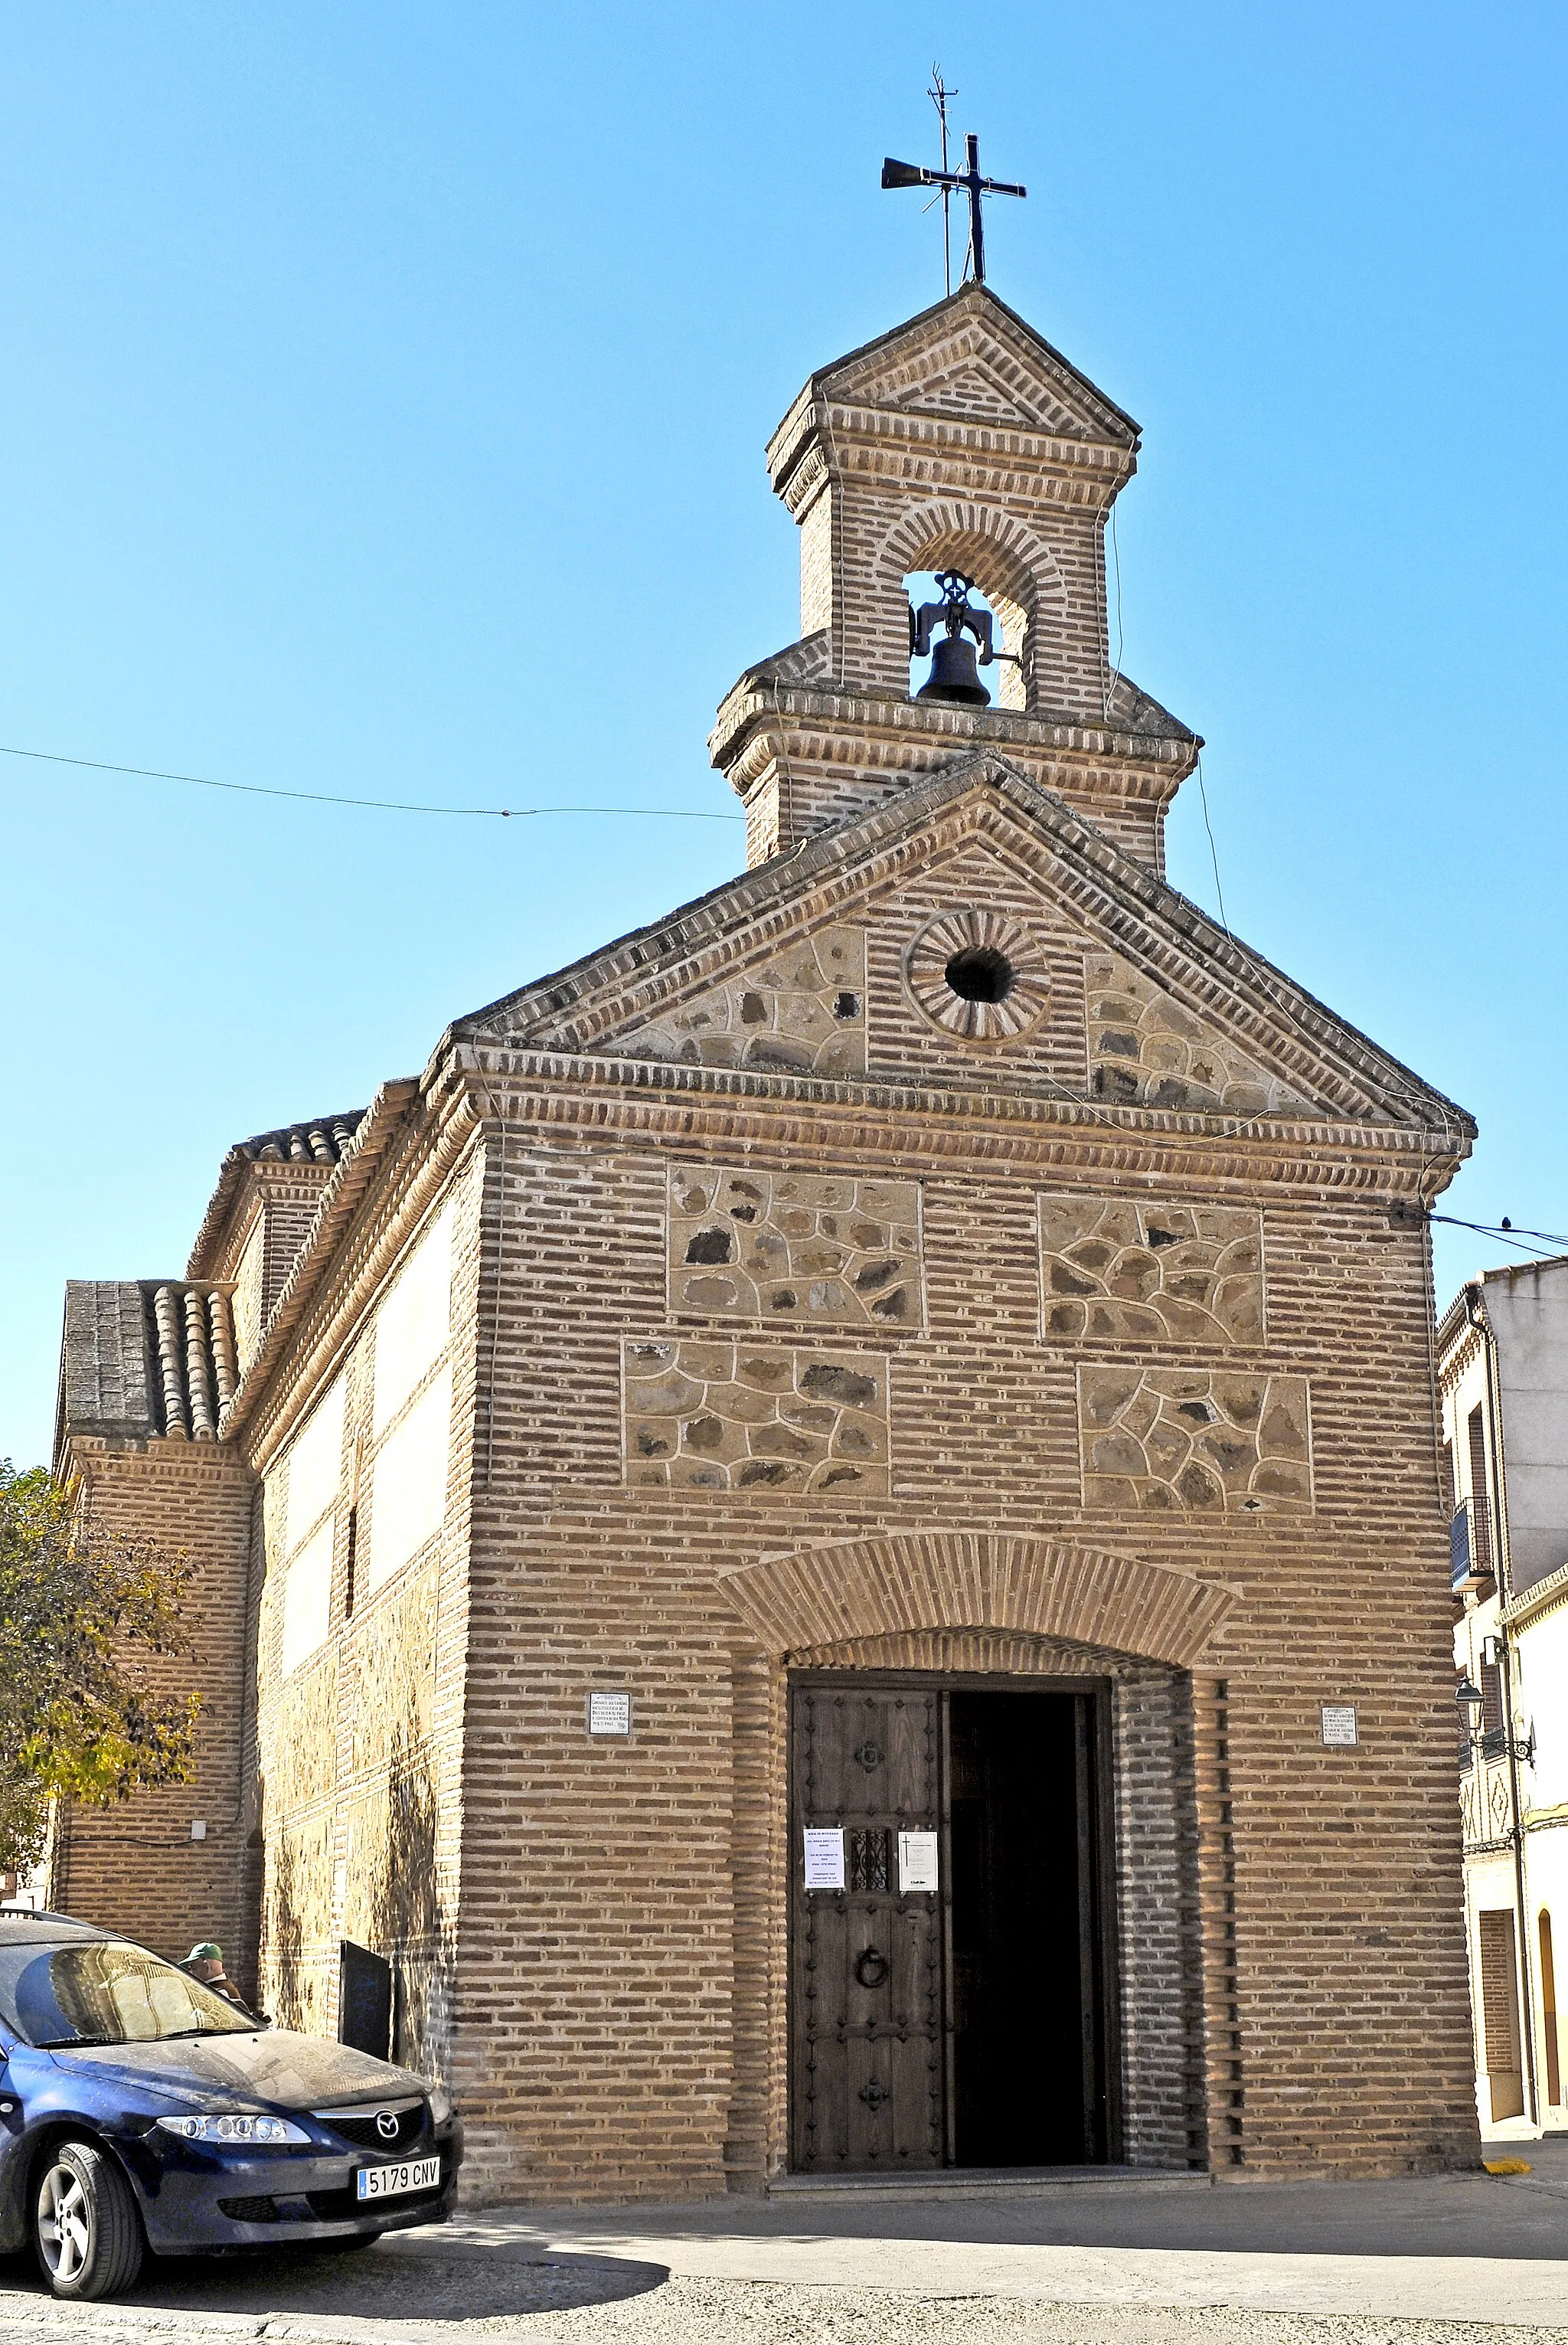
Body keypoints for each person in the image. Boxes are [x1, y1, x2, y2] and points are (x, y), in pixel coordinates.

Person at [180, 1942, 253, 2014]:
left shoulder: (222, 1993)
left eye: (193, 1968)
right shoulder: (218, 1988)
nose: (191, 1972)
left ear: (207, 1966)